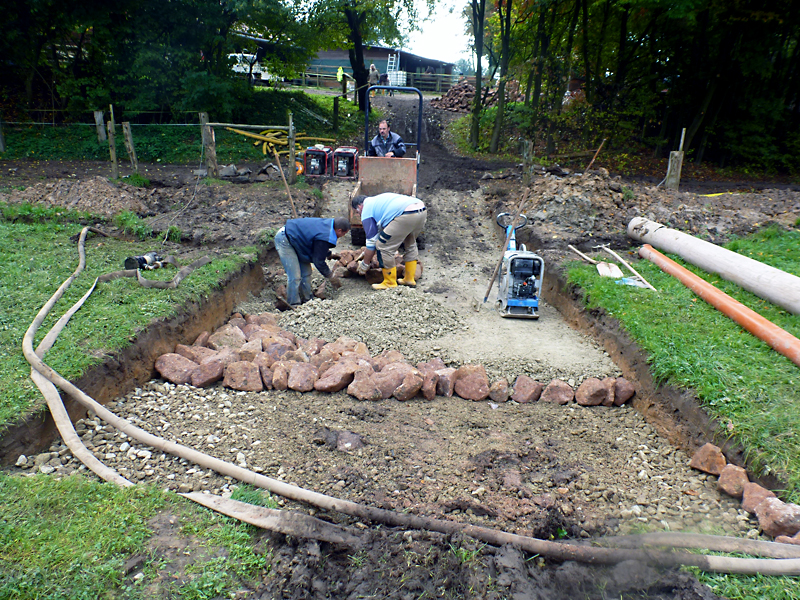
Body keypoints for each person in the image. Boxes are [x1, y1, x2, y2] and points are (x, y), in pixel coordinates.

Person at [352, 193, 426, 290]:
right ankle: (409, 279)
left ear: (359, 206)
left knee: (383, 246)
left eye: (357, 212)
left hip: (406, 214)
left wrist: (365, 263)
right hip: (421, 210)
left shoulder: (366, 210)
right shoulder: (376, 200)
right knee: (410, 242)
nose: (359, 214)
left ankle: (389, 282)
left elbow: (371, 244)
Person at [274, 217, 350, 306]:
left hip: (298, 240)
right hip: (286, 239)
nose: (343, 236)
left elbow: (317, 244)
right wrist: (330, 275)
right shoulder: (325, 234)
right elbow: (318, 261)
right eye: (344, 234)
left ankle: (308, 300)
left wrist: (329, 254)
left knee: (306, 273)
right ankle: (294, 304)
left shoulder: (329, 226)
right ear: (339, 230)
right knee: (295, 276)